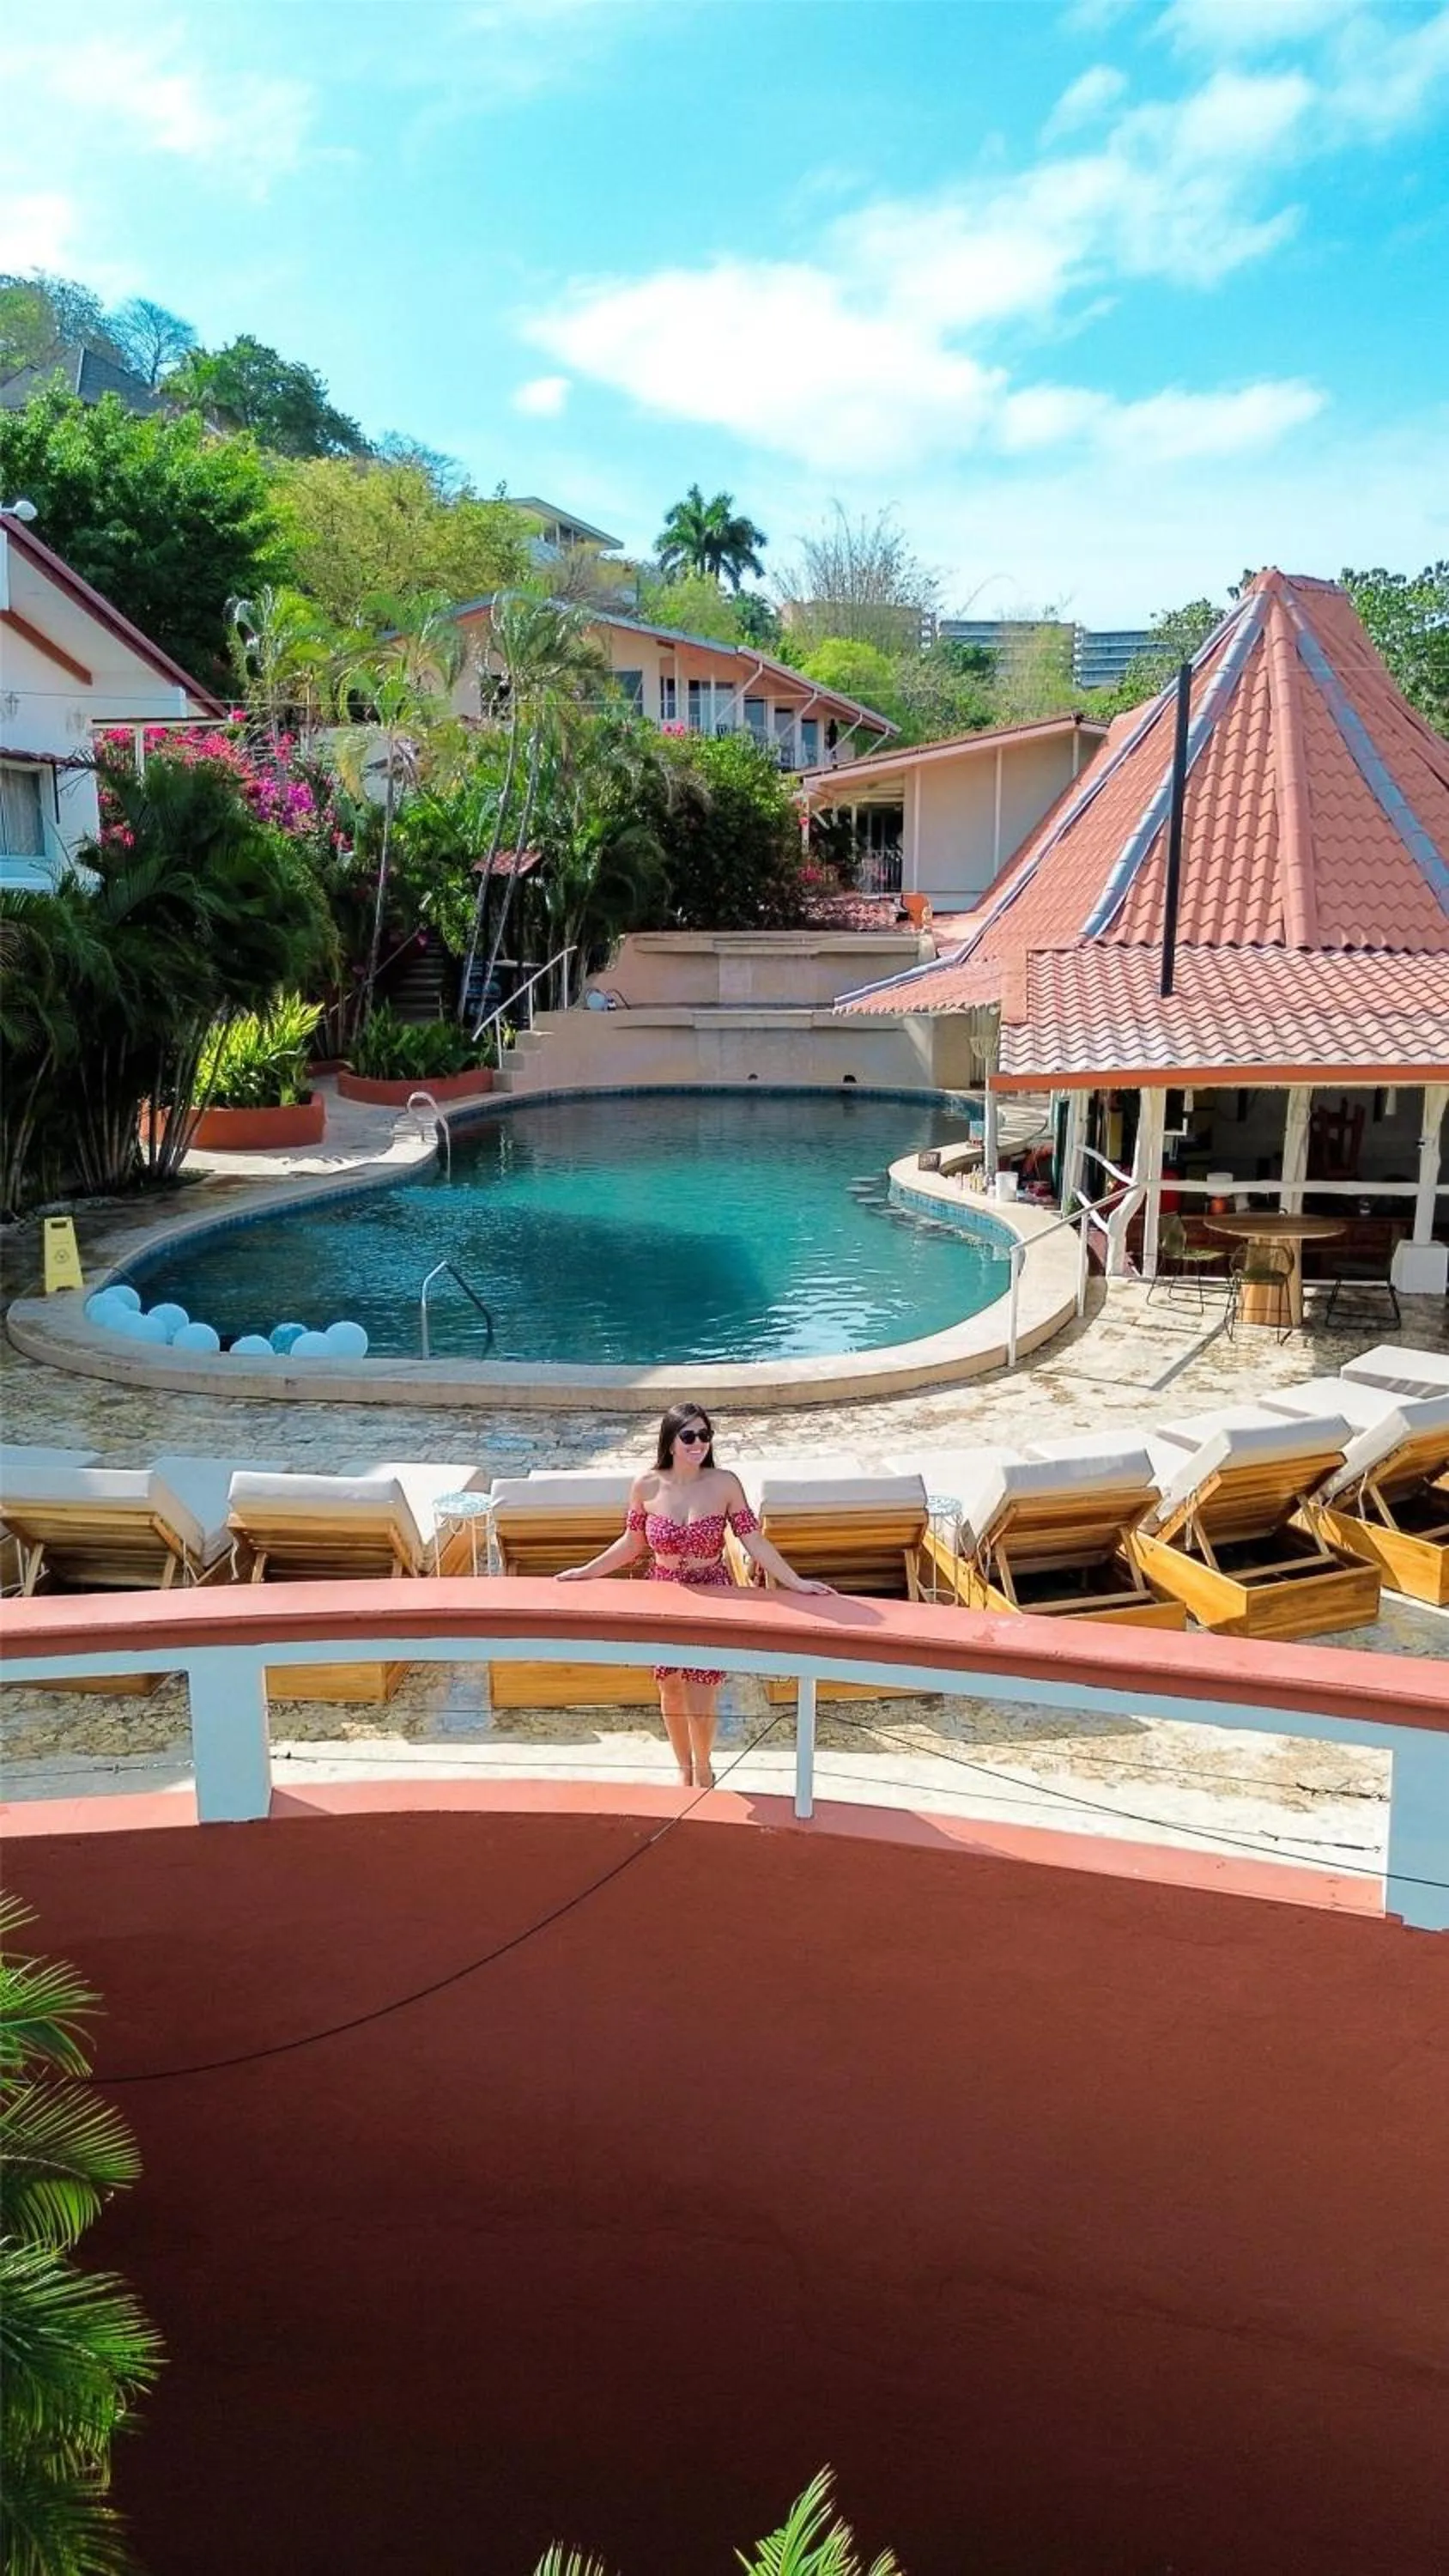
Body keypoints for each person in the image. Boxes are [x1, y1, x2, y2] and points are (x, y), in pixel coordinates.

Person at [555, 1402, 833, 1790]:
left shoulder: (725, 1484)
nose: (698, 1443)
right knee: (669, 1684)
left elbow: (752, 1539)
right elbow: (632, 1544)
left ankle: (703, 1768)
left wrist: (795, 1581)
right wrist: (586, 1572)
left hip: (711, 1594)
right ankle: (683, 1768)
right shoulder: (646, 1485)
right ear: (670, 1441)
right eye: (689, 1436)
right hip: (663, 1593)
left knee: (702, 1687)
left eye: (705, 1435)